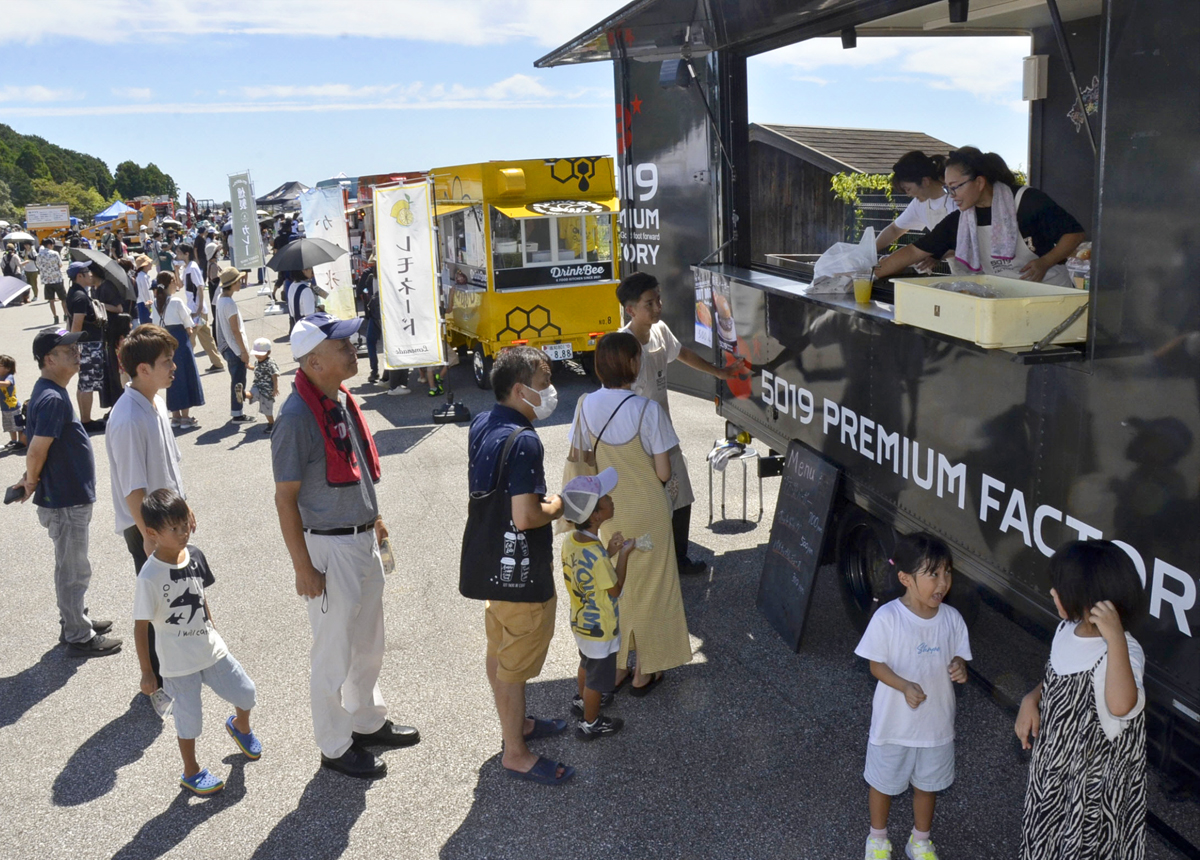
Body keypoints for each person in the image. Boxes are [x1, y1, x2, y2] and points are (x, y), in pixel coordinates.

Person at [272, 312, 418, 779]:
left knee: (368, 643)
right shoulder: (296, 418)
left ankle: (366, 721)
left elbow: (353, 469)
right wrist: (302, 566)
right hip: (329, 549)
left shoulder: (338, 400)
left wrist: (372, 516)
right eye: (341, 344)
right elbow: (285, 498)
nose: (352, 346)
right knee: (333, 653)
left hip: (359, 538)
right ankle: (334, 745)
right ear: (314, 360)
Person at [460, 346, 573, 784]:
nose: (550, 392)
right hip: (522, 566)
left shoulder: (483, 421)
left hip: (491, 557)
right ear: (521, 389)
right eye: (544, 384)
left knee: (500, 644)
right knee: (515, 659)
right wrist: (560, 504)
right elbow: (526, 516)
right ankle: (516, 751)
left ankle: (518, 725)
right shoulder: (525, 440)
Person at [567, 331, 692, 693]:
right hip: (649, 507)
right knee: (655, 586)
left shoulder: (584, 406)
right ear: (634, 365)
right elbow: (664, 472)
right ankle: (646, 670)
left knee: (619, 587)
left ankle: (619, 665)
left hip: (609, 510)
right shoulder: (647, 409)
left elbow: (580, 458)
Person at [1015, 540, 1147, 859]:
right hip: (1055, 771)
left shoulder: (1124, 652)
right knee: (1045, 838)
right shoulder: (1066, 629)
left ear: (1086, 599)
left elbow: (1121, 705)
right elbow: (1057, 675)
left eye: (1059, 587)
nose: (1052, 592)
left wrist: (1114, 637)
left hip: (1093, 789)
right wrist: (1031, 699)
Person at [617, 272, 749, 576]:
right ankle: (647, 564)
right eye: (649, 303)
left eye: (658, 300)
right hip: (635, 441)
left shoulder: (660, 330)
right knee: (646, 505)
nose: (658, 307)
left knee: (680, 494)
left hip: (664, 435)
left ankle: (678, 558)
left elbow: (683, 353)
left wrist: (719, 373)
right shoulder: (622, 345)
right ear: (630, 309)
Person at [133, 489, 261, 796]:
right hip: (178, 665)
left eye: (185, 525)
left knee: (246, 691)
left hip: (211, 650)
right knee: (189, 723)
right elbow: (140, 627)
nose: (183, 534)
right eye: (173, 529)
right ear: (153, 533)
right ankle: (191, 771)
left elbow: (201, 597)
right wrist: (148, 672)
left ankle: (240, 727)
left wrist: (213, 627)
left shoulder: (195, 556)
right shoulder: (149, 576)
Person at [854, 533, 970, 860]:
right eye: (933, 574)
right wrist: (904, 685)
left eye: (947, 572)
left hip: (936, 726)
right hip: (895, 725)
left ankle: (919, 839)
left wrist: (960, 667)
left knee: (927, 785)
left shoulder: (952, 620)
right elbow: (876, 665)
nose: (943, 582)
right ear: (905, 578)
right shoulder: (888, 618)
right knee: (883, 783)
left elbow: (959, 657)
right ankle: (877, 838)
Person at [15, 327, 121, 654]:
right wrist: (30, 481)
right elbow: (35, 450)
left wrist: (28, 478)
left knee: (72, 566)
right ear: (49, 359)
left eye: (75, 347)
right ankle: (78, 634)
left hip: (68, 498)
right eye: (67, 349)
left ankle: (76, 618)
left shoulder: (51, 392)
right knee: (73, 570)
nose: (76, 352)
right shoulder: (50, 398)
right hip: (65, 502)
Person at [107, 324, 188, 686]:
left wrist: (184, 512)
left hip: (167, 522)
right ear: (142, 369)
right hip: (147, 527)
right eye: (166, 361)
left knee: (175, 596)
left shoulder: (156, 400)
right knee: (157, 604)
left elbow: (169, 465)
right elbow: (132, 489)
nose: (174, 367)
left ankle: (176, 667)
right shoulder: (126, 418)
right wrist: (150, 536)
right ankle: (157, 678)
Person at [874, 147, 1086, 286]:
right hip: (1006, 298)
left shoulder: (1026, 201)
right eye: (948, 189)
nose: (953, 196)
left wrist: (1045, 262)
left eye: (955, 188)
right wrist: (866, 274)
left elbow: (1074, 234)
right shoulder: (961, 220)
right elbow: (913, 251)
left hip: (1050, 296)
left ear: (980, 182)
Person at [560, 468, 632, 741]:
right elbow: (614, 589)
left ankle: (582, 701)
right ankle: (591, 722)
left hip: (581, 621)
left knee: (586, 664)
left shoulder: (572, 541)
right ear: (596, 516)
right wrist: (623, 555)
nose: (611, 498)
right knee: (597, 679)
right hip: (601, 627)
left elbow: (588, 570)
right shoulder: (597, 556)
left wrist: (610, 550)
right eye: (606, 498)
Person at [874, 152, 955, 265]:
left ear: (925, 181)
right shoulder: (919, 204)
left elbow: (964, 239)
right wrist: (869, 251)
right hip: (960, 274)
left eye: (908, 189)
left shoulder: (955, 199)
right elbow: (894, 229)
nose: (908, 194)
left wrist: (937, 254)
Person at [150, 272, 204, 428]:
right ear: (170, 283)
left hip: (164, 341)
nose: (177, 284)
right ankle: (186, 418)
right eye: (175, 281)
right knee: (185, 375)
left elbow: (155, 325)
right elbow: (189, 325)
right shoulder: (177, 302)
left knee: (170, 376)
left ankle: (175, 417)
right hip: (179, 340)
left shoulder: (155, 303)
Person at [64, 261, 108, 431]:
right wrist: (74, 348)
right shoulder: (80, 297)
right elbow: (77, 324)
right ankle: (87, 421)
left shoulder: (74, 293)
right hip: (87, 345)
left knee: (83, 384)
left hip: (85, 345)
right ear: (79, 276)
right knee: (87, 384)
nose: (91, 274)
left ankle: (84, 418)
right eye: (87, 272)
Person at [213, 267, 253, 424]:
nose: (241, 282)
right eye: (239, 280)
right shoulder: (229, 303)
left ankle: (237, 411)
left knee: (237, 380)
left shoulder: (221, 298)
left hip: (226, 346)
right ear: (233, 284)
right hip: (234, 347)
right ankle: (237, 413)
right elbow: (235, 330)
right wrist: (243, 351)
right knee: (238, 381)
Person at [356, 258, 383, 384]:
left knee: (371, 342)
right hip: (388, 314)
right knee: (390, 343)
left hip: (374, 314)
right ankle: (390, 373)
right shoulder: (390, 273)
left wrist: (368, 293)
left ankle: (374, 370)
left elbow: (360, 290)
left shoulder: (369, 274)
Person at [247, 337, 279, 434]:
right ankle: (243, 394)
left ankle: (272, 424)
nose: (258, 356)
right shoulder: (257, 362)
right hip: (257, 385)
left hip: (266, 390)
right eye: (256, 354)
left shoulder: (270, 363)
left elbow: (274, 375)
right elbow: (256, 368)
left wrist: (275, 388)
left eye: (261, 354)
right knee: (252, 393)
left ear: (268, 352)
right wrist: (249, 367)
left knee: (266, 409)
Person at [37, 238, 67, 325]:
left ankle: (55, 316)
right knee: (63, 299)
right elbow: (60, 264)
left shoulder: (39, 255)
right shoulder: (55, 253)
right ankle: (65, 314)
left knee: (51, 300)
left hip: (47, 280)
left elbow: (39, 266)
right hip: (57, 279)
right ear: (50, 244)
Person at [0, 354, 26, 451]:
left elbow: (7, 384)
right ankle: (13, 441)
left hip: (13, 407)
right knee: (10, 426)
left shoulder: (9, 376)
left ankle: (21, 442)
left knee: (18, 426)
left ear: (7, 368)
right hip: (4, 407)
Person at [133, 254, 155, 326]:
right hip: (145, 304)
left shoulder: (143, 275)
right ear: (144, 265)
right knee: (148, 325)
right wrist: (150, 307)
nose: (151, 264)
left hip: (145, 303)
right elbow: (146, 293)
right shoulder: (142, 277)